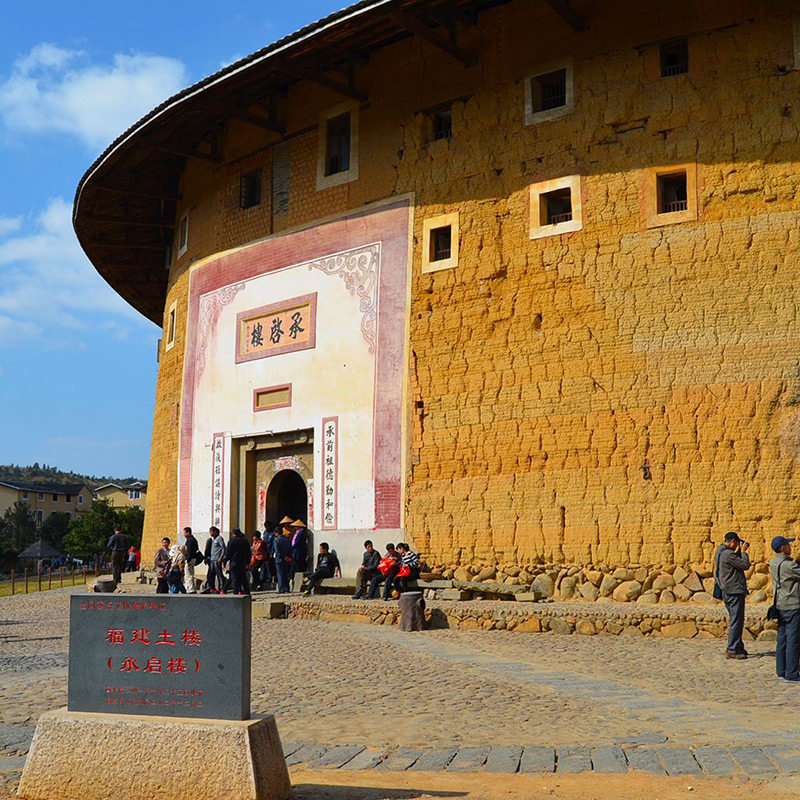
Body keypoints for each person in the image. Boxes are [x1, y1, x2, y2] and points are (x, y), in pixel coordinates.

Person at [715, 531, 750, 659]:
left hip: (727, 591)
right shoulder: (728, 554)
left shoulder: (720, 552)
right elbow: (745, 565)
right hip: (734, 591)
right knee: (736, 621)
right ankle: (732, 649)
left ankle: (738, 646)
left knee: (736, 620)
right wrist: (744, 552)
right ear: (734, 542)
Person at [769, 536, 800, 681]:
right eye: (788, 545)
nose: (790, 547)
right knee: (793, 639)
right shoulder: (789, 566)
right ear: (782, 548)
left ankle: (781, 669)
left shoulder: (773, 562)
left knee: (782, 638)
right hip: (792, 604)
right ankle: (792, 673)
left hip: (780, 604)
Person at [224, 528, 251, 595]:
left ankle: (236, 593)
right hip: (243, 562)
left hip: (234, 562)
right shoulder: (245, 540)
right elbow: (248, 552)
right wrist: (248, 562)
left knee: (234, 578)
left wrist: (225, 561)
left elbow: (228, 553)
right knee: (243, 578)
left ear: (234, 534)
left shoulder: (232, 541)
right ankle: (247, 593)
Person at [202, 526, 226, 593]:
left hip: (217, 559)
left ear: (215, 532)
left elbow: (223, 548)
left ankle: (222, 588)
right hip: (212, 559)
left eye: (212, 532)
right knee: (211, 574)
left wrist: (221, 557)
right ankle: (211, 587)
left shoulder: (219, 538)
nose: (211, 533)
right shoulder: (212, 539)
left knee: (219, 574)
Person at [274, 525, 293, 593]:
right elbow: (290, 549)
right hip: (287, 559)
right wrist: (288, 557)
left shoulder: (277, 540)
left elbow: (277, 551)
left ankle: (281, 589)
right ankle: (287, 588)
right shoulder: (287, 539)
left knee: (280, 574)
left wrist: (283, 557)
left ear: (277, 533)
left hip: (279, 560)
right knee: (285, 574)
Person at [290, 520, 309, 585]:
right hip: (295, 552)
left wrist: (292, 546)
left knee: (298, 565)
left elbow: (297, 543)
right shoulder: (297, 533)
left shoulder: (301, 533)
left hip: (299, 552)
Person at [182, 527, 199, 594]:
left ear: (188, 532)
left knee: (188, 575)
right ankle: (192, 588)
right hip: (193, 559)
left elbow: (189, 551)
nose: (183, 534)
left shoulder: (190, 541)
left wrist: (188, 560)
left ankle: (190, 589)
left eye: (184, 533)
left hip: (190, 559)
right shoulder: (193, 539)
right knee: (191, 574)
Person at [262, 523, 277, 588]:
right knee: (264, 566)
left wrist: (272, 552)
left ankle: (270, 577)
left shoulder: (272, 534)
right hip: (264, 551)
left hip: (269, 551)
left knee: (269, 566)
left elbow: (273, 544)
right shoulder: (265, 533)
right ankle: (263, 577)